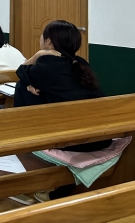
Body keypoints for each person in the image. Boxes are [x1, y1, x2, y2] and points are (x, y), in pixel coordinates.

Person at [14, 20, 108, 203]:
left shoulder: (48, 63)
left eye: (43, 36)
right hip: (99, 136)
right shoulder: (81, 63)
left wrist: (38, 56)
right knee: (28, 87)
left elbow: (20, 70)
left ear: (49, 41)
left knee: (21, 87)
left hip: (74, 140)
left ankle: (22, 139)